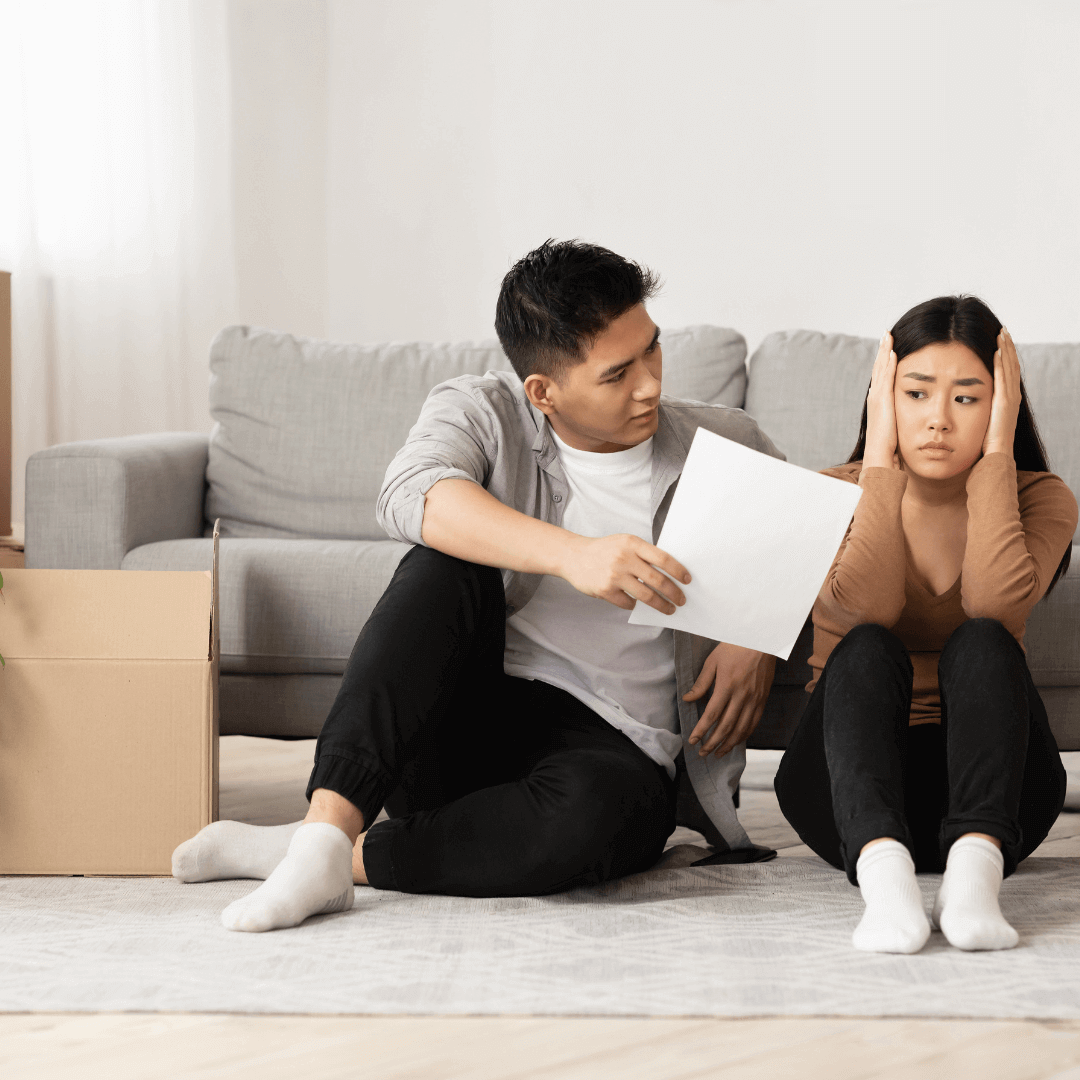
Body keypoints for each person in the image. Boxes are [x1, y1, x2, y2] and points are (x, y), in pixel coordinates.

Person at [173, 239, 784, 931]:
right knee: (441, 562)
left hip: (614, 746)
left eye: (652, 350)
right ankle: (324, 830)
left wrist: (755, 636)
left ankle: (320, 856)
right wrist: (573, 555)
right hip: (463, 719)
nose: (649, 384)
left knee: (600, 821)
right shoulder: (481, 409)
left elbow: (807, 546)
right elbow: (410, 493)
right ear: (542, 391)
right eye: (618, 374)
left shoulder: (728, 443)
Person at [774, 295, 1077, 955]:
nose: (938, 420)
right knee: (866, 645)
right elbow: (865, 610)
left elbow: (996, 605)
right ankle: (886, 884)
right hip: (845, 789)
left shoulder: (1041, 497)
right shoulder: (833, 493)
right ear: (883, 398)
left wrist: (996, 457)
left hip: (997, 799)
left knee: (984, 640)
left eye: (968, 398)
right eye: (915, 393)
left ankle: (974, 878)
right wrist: (879, 463)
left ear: (1003, 404)